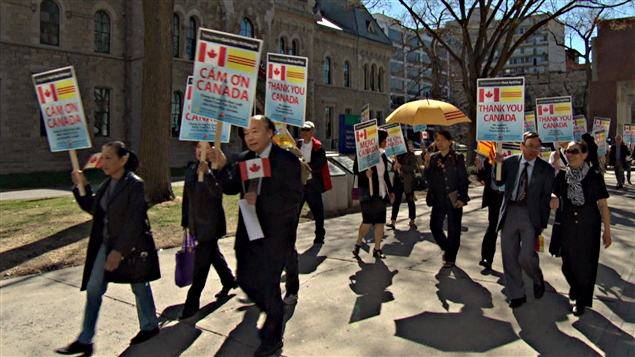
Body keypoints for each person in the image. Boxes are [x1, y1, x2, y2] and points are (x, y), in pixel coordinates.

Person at [56, 141, 160, 356]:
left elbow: (135, 220)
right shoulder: (107, 185)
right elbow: (94, 208)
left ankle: (149, 325)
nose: (103, 162)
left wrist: (119, 251)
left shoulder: (134, 184)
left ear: (123, 160)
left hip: (130, 247)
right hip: (105, 245)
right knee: (94, 290)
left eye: (108, 158)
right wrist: (81, 186)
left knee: (139, 286)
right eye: (102, 157)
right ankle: (85, 339)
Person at [213, 115, 304, 357]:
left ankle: (272, 339)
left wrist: (261, 201)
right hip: (248, 232)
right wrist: (221, 167)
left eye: (255, 131)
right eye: (246, 133)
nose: (249, 137)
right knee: (244, 279)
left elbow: (293, 197)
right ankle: (275, 312)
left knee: (269, 284)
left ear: (270, 133)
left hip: (275, 233)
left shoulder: (286, 160)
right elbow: (231, 187)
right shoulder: (244, 160)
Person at [550, 140, 612, 316]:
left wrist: (607, 230)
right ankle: (575, 286)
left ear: (584, 155)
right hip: (568, 227)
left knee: (586, 266)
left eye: (574, 151)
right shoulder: (562, 175)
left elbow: (603, 205)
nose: (570, 155)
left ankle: (581, 300)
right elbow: (554, 192)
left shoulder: (594, 177)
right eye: (568, 152)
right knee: (567, 265)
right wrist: (553, 197)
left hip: (588, 228)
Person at [494, 131, 555, 309]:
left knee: (526, 255)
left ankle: (537, 278)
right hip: (510, 212)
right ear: (521, 146)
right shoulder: (510, 163)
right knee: (509, 255)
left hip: (531, 215)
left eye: (537, 147)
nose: (534, 150)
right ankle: (517, 294)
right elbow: (498, 183)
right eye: (530, 146)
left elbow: (545, 198)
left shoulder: (546, 169)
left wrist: (543, 223)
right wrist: (496, 167)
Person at [180, 141, 237, 319]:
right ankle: (228, 280)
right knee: (212, 254)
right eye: (197, 147)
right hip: (196, 222)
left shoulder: (216, 170)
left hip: (211, 224)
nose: (199, 151)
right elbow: (187, 197)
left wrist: (209, 174)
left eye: (204, 147)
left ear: (212, 150)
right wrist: (185, 221)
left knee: (201, 264)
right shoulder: (190, 170)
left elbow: (219, 193)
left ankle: (192, 303)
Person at [423, 130, 470, 268]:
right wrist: (426, 164)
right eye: (437, 140)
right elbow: (427, 178)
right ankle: (446, 248)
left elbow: (463, 179)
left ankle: (451, 258)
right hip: (438, 198)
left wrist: (463, 197)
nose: (440, 143)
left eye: (443, 140)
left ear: (450, 142)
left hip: (453, 196)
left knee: (454, 228)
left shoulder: (457, 157)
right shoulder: (433, 158)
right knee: (435, 226)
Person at [352, 129, 395, 259]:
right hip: (367, 192)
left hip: (380, 192)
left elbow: (385, 174)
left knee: (380, 221)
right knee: (368, 221)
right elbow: (355, 169)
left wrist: (391, 191)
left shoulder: (382, 155)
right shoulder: (364, 154)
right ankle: (358, 243)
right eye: (384, 140)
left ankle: (377, 248)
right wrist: (365, 173)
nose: (386, 143)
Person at [297, 121, 331, 244]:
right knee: (295, 211)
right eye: (303, 130)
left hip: (312, 184)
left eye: (307, 130)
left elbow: (320, 162)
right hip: (300, 184)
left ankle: (319, 235)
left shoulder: (318, 147)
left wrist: (306, 166)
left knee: (317, 211)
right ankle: (290, 237)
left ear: (312, 131)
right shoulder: (297, 145)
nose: (304, 132)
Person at [475, 155, 504, 271]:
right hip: (494, 196)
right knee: (493, 227)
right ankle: (487, 258)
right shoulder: (490, 157)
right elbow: (483, 177)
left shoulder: (514, 153)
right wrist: (480, 167)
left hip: (511, 198)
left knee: (513, 231)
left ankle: (520, 262)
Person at [387, 140, 418, 228]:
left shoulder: (410, 155)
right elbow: (394, 169)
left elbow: (413, 167)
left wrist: (402, 167)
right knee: (396, 201)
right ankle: (393, 221)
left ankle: (412, 219)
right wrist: (394, 167)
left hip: (408, 181)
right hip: (398, 181)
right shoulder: (396, 156)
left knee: (410, 200)